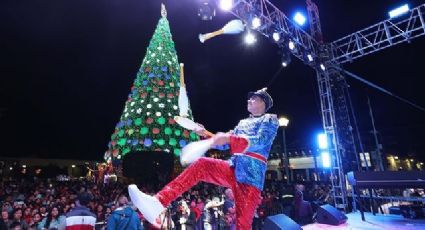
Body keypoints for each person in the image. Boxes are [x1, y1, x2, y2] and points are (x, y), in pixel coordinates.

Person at [129, 88, 279, 230]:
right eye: (250, 98)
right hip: (233, 169)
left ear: (263, 103)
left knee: (243, 225)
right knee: (202, 164)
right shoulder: (242, 123)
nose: (249, 100)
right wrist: (205, 132)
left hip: (251, 178)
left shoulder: (270, 119)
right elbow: (222, 143)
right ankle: (158, 202)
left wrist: (229, 139)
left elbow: (261, 141)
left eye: (254, 98)